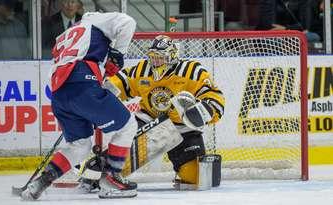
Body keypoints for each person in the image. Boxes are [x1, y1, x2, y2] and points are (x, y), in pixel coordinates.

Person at [80, 35, 225, 190]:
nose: (155, 62)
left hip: (184, 128)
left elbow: (214, 96)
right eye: (153, 57)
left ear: (172, 56)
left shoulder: (192, 71)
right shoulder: (141, 70)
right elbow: (119, 84)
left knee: (196, 178)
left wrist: (204, 111)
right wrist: (97, 97)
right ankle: (100, 167)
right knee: (115, 165)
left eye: (160, 58)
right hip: (149, 124)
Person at [20, 11, 137, 200]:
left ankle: (40, 183)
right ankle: (111, 180)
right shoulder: (96, 20)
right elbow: (128, 21)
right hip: (83, 83)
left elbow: (71, 61)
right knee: (128, 125)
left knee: (80, 146)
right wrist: (117, 54)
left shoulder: (65, 35)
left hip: (59, 93)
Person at [256, 0, 321, 43]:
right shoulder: (269, 2)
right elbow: (270, 26)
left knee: (312, 37)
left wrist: (286, 28)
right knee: (274, 40)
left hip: (293, 34)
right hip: (274, 36)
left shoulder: (304, 2)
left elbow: (305, 26)